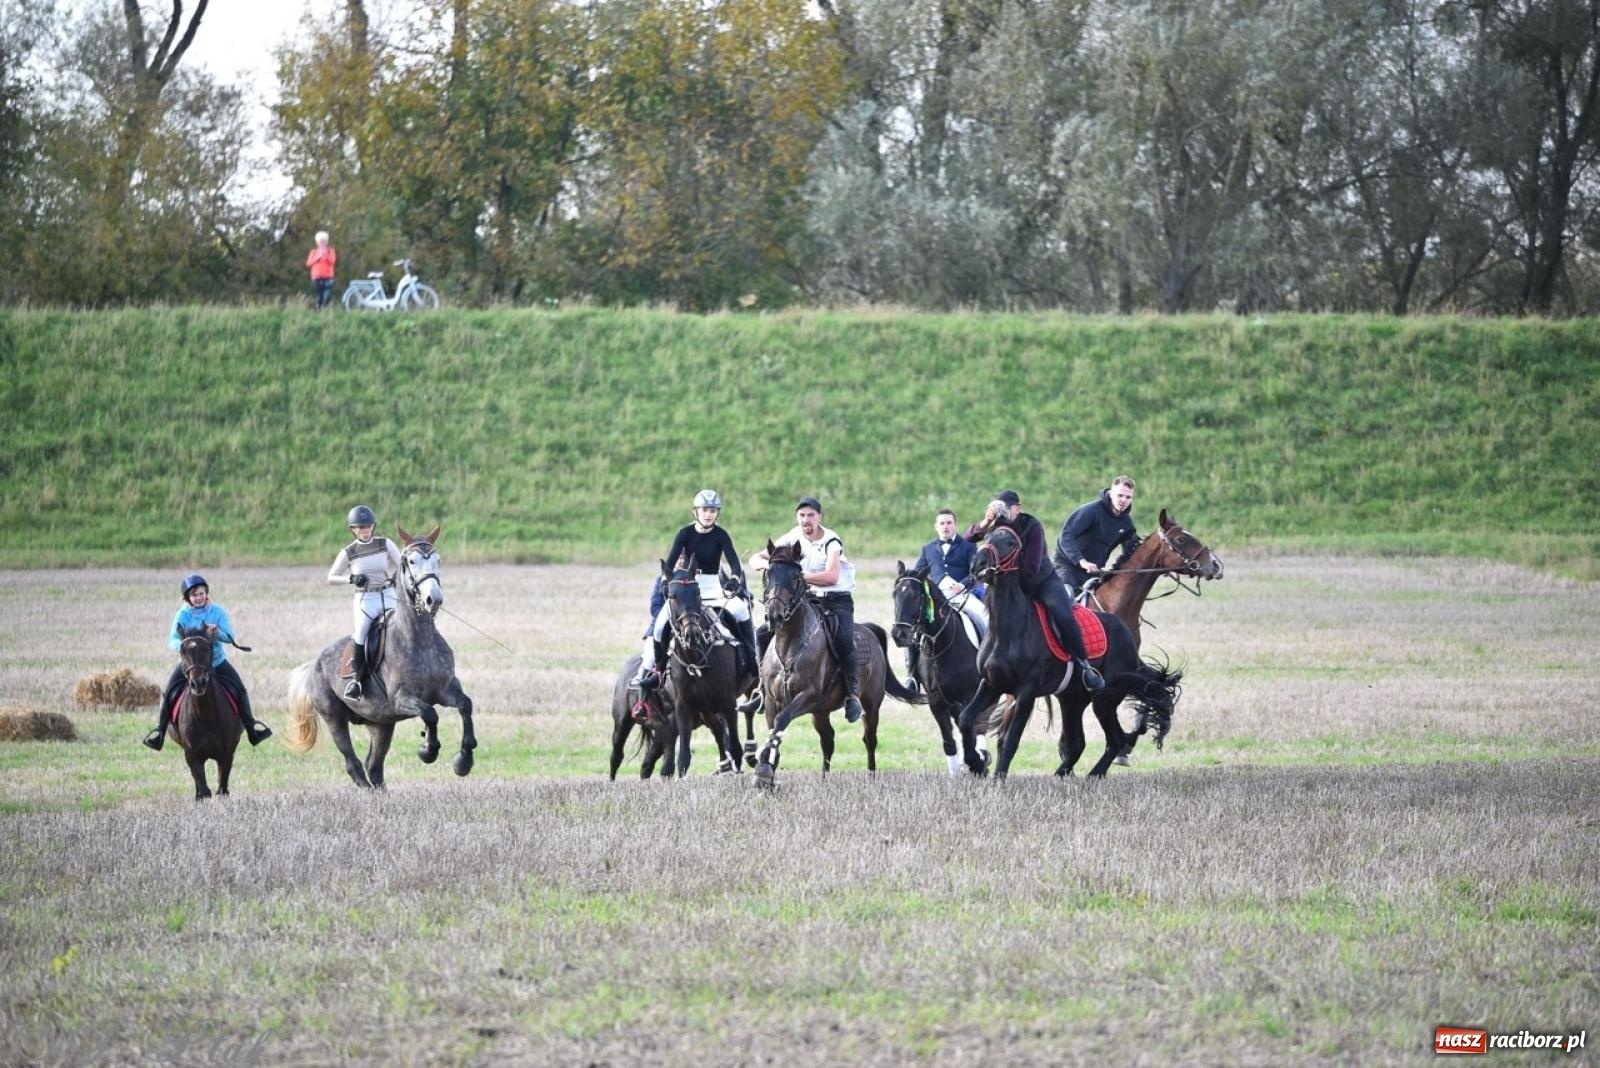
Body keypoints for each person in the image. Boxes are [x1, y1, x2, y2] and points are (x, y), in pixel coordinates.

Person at [967, 489, 1103, 690]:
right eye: (998, 510)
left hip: (1041, 583)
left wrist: (1001, 575)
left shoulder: (1031, 526)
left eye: (1006, 509)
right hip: (1011, 587)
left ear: (1017, 509)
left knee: (1063, 615)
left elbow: (1031, 567)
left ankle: (1084, 665)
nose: (1002, 514)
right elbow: (969, 537)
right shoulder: (996, 527)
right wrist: (985, 523)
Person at [747, 496, 865, 723]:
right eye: (802, 516)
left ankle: (853, 695)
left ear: (820, 517)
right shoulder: (792, 536)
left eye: (811, 515)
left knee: (843, 639)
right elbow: (755, 559)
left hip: (836, 600)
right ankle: (762, 690)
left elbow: (832, 576)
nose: (806, 520)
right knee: (762, 633)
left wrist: (797, 576)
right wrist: (772, 567)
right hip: (807, 599)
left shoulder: (832, 541)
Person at [632, 489, 759, 698]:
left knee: (742, 610)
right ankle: (659, 670)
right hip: (687, 590)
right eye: (704, 510)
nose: (708, 514)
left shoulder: (721, 535)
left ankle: (752, 662)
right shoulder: (684, 533)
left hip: (713, 589)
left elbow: (736, 567)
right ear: (695, 512)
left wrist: (735, 581)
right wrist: (666, 582)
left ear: (717, 513)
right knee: (660, 626)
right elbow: (670, 565)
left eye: (712, 510)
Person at [143, 574, 273, 750]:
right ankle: (160, 734)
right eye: (194, 595)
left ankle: (252, 730)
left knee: (240, 689)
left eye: (202, 593)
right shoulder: (182, 615)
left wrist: (217, 632)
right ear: (187, 598)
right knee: (169, 692)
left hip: (216, 662)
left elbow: (229, 637)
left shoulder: (217, 612)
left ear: (206, 593)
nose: (199, 598)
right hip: (190, 666)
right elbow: (173, 639)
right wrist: (184, 646)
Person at [326, 504, 402, 698]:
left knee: (405, 623)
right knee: (360, 633)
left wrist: (392, 577)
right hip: (365, 599)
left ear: (373, 526)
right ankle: (356, 682)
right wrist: (350, 579)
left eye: (368, 526)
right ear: (353, 529)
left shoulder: (385, 543)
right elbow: (331, 577)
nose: (365, 530)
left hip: (388, 594)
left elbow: (401, 563)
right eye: (361, 527)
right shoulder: (349, 552)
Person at [905, 507, 989, 682]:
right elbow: (918, 574)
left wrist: (963, 585)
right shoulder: (927, 549)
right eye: (942, 523)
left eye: (949, 523)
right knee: (913, 628)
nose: (945, 527)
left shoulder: (968, 546)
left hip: (962, 595)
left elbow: (977, 572)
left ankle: (988, 664)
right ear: (936, 527)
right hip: (935, 598)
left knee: (985, 617)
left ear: (955, 525)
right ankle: (912, 676)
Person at [1053, 475, 1139, 600]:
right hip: (1067, 566)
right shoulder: (1091, 511)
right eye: (1120, 495)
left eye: (1128, 497)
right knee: (1065, 597)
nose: (1123, 500)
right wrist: (1082, 562)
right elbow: (1066, 536)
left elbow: (1134, 550)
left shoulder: (1127, 524)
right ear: (1110, 493)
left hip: (1093, 572)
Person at [306, 230, 337, 310]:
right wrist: (318, 257)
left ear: (326, 242)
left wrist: (325, 255)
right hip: (316, 277)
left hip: (328, 277)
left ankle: (325, 309)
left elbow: (332, 261)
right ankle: (318, 312)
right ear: (317, 242)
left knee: (327, 296)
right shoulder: (314, 252)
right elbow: (308, 263)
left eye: (324, 241)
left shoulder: (331, 251)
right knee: (318, 296)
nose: (322, 243)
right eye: (320, 241)